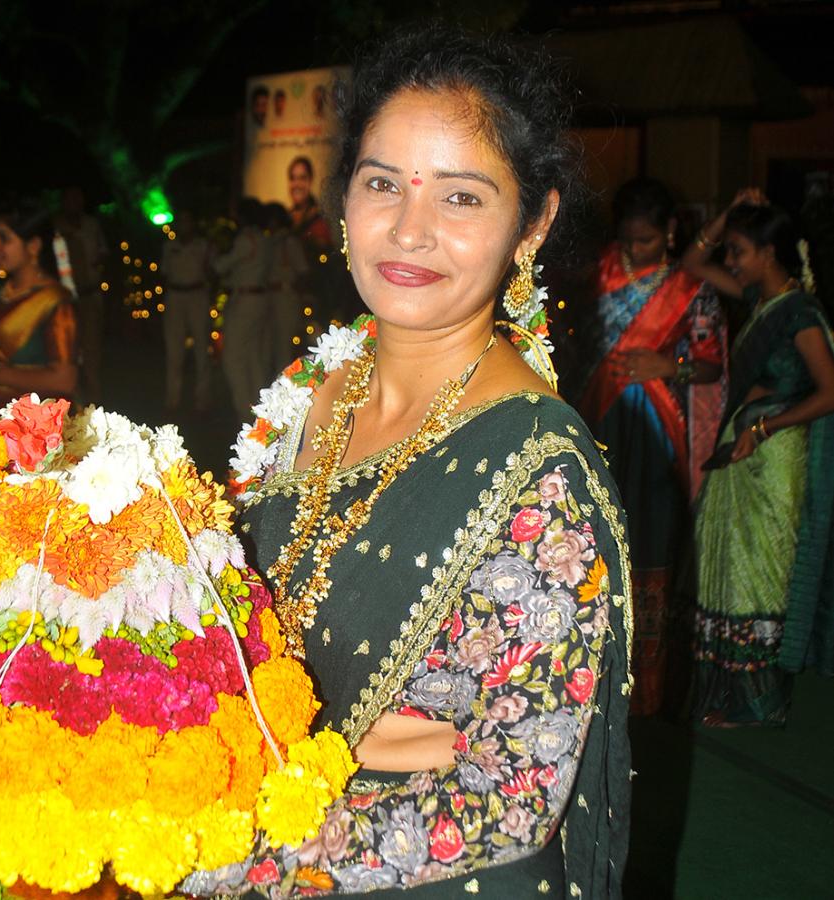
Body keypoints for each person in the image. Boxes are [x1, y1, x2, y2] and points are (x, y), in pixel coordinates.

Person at [189, 27, 631, 897]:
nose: (409, 230)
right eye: (382, 183)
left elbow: (507, 798)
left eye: (461, 199)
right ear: (345, 197)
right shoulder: (308, 389)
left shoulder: (538, 471)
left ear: (531, 223)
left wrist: (230, 850)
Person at [682, 194, 834, 726]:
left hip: (774, 458)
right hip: (743, 454)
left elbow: (830, 392)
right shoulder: (760, 300)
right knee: (729, 568)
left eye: (741, 251)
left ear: (770, 252)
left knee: (761, 575)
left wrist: (765, 427)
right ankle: (726, 695)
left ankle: (761, 704)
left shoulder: (800, 313)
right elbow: (692, 266)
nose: (732, 261)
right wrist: (727, 212)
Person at [579, 178, 725, 716]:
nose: (631, 251)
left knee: (652, 548)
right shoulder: (599, 273)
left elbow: (711, 360)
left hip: (658, 432)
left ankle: (648, 694)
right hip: (601, 422)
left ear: (668, 233)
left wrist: (670, 366)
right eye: (625, 239)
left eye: (643, 241)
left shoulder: (691, 288)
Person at [0, 204, 78, 411]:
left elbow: (65, 380)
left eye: (5, 238)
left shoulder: (55, 301)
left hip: (28, 423)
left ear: (33, 246)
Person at [214, 197, 273, 421]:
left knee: (233, 357)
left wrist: (215, 258)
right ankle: (260, 411)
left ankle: (243, 411)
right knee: (254, 356)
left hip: (245, 299)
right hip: (260, 298)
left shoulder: (246, 239)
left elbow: (222, 266)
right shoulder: (265, 239)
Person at [54, 186, 108, 404]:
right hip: (64, 299)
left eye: (79, 198)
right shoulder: (56, 227)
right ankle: (69, 401)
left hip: (90, 295)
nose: (75, 203)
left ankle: (94, 403)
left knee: (92, 350)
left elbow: (104, 252)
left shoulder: (91, 225)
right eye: (70, 198)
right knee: (67, 350)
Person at [160, 210, 213, 414]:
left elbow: (211, 271)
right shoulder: (169, 246)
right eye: (181, 222)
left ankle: (203, 402)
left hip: (197, 295)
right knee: (174, 351)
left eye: (187, 221)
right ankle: (172, 401)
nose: (184, 226)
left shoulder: (203, 246)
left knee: (202, 350)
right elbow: (164, 273)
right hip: (175, 296)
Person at [264, 202, 309, 373]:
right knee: (271, 345)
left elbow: (303, 271)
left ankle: (284, 389)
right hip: (270, 296)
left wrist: (300, 297)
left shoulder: (288, 241)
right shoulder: (269, 241)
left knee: (283, 345)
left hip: (285, 295)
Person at [287, 155, 333, 251]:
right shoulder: (285, 218)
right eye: (293, 178)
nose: (296, 184)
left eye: (302, 178)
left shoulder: (320, 220)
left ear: (310, 181)